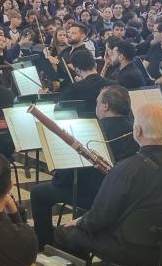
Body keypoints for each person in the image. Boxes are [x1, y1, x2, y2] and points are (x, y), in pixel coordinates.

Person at [56, 103, 162, 266]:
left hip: (127, 249)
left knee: (66, 233)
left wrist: (79, 222)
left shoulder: (126, 169)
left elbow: (99, 219)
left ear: (137, 131)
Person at [30, 86, 138, 248]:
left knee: (38, 193)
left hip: (93, 194)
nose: (96, 107)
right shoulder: (136, 131)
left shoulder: (93, 130)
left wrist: (58, 177)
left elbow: (66, 177)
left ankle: (45, 244)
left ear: (105, 106)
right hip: (125, 195)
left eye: (97, 103)